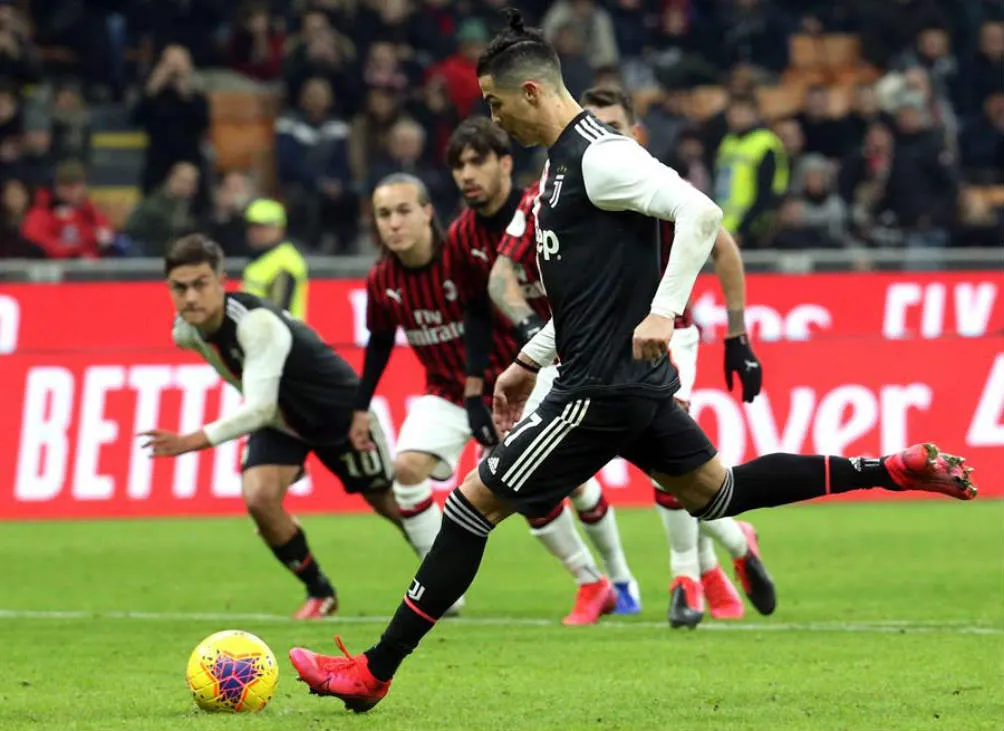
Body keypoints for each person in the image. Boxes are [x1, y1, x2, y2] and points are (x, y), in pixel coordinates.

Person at [289, 12, 978, 710]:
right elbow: (592, 292)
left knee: (470, 506)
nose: (494, 120)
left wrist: (665, 307)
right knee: (720, 492)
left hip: (599, 390)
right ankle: (891, 469)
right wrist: (530, 356)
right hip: (628, 384)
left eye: (496, 104)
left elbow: (701, 213)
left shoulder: (600, 156)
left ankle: (372, 671)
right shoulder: (562, 166)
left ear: (531, 91)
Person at [490, 85, 775, 629]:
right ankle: (731, 544)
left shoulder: (651, 179)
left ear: (635, 133)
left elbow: (720, 240)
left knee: (673, 462)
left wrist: (738, 337)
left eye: (616, 127)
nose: (603, 138)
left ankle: (683, 577)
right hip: (579, 347)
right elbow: (504, 270)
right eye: (594, 125)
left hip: (668, 337)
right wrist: (532, 348)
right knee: (664, 472)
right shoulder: (546, 190)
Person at [142, 234, 409, 620]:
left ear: (222, 282)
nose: (190, 298)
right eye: (179, 288)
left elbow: (259, 407)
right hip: (283, 421)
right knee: (259, 497)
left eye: (200, 284)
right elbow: (258, 400)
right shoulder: (186, 332)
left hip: (334, 412)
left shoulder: (256, 324)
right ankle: (320, 592)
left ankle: (444, 571)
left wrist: (192, 441)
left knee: (387, 502)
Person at [446, 116, 637, 621]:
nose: (467, 174)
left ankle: (613, 578)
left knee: (541, 475)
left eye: (477, 161)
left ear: (506, 164)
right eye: (458, 165)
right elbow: (478, 308)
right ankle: (602, 581)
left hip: (574, 353)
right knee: (549, 478)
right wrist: (472, 391)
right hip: (526, 361)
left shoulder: (563, 202)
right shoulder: (466, 235)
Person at [241, 198, 309, 320]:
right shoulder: (263, 256)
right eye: (252, 226)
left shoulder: (285, 262)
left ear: (278, 229)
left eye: (262, 227)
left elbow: (279, 312)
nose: (254, 232)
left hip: (276, 335)